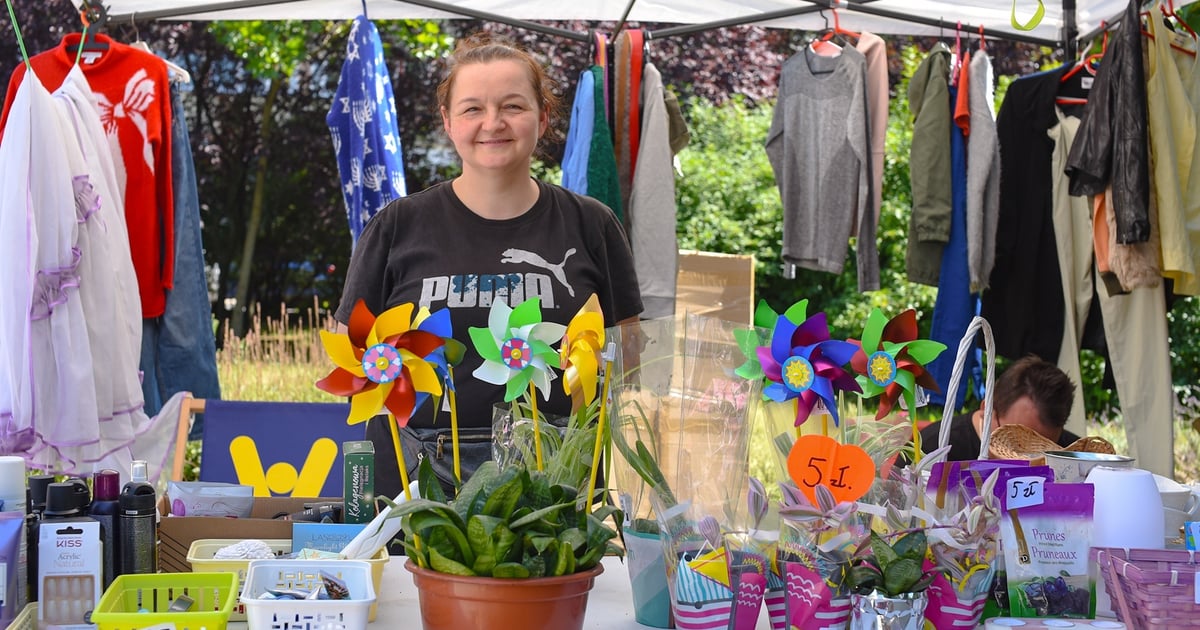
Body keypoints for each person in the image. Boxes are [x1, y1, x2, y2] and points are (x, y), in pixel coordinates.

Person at [334, 33, 644, 499]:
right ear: (448, 121)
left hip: (555, 495)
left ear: (543, 117)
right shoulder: (397, 226)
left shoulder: (592, 225)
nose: (493, 123)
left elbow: (628, 361)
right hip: (414, 491)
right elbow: (354, 355)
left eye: (513, 106)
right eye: (472, 108)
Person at [919, 355, 1080, 461]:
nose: (1026, 460)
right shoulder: (931, 449)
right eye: (1015, 442)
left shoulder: (1073, 456)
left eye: (1042, 449)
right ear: (986, 410)